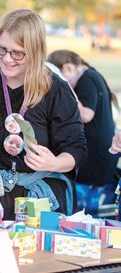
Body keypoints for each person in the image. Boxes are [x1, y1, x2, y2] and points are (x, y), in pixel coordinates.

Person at [0, 9, 88, 220]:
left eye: (17, 53)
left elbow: (76, 149)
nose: (7, 59)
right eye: (1, 49)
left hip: (38, 197)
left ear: (35, 52)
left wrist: (54, 163)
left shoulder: (56, 90)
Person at [47, 49, 119, 213]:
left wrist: (66, 89)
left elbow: (86, 114)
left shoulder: (87, 78)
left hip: (96, 159)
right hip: (100, 155)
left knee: (84, 212)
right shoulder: (92, 76)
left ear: (69, 68)